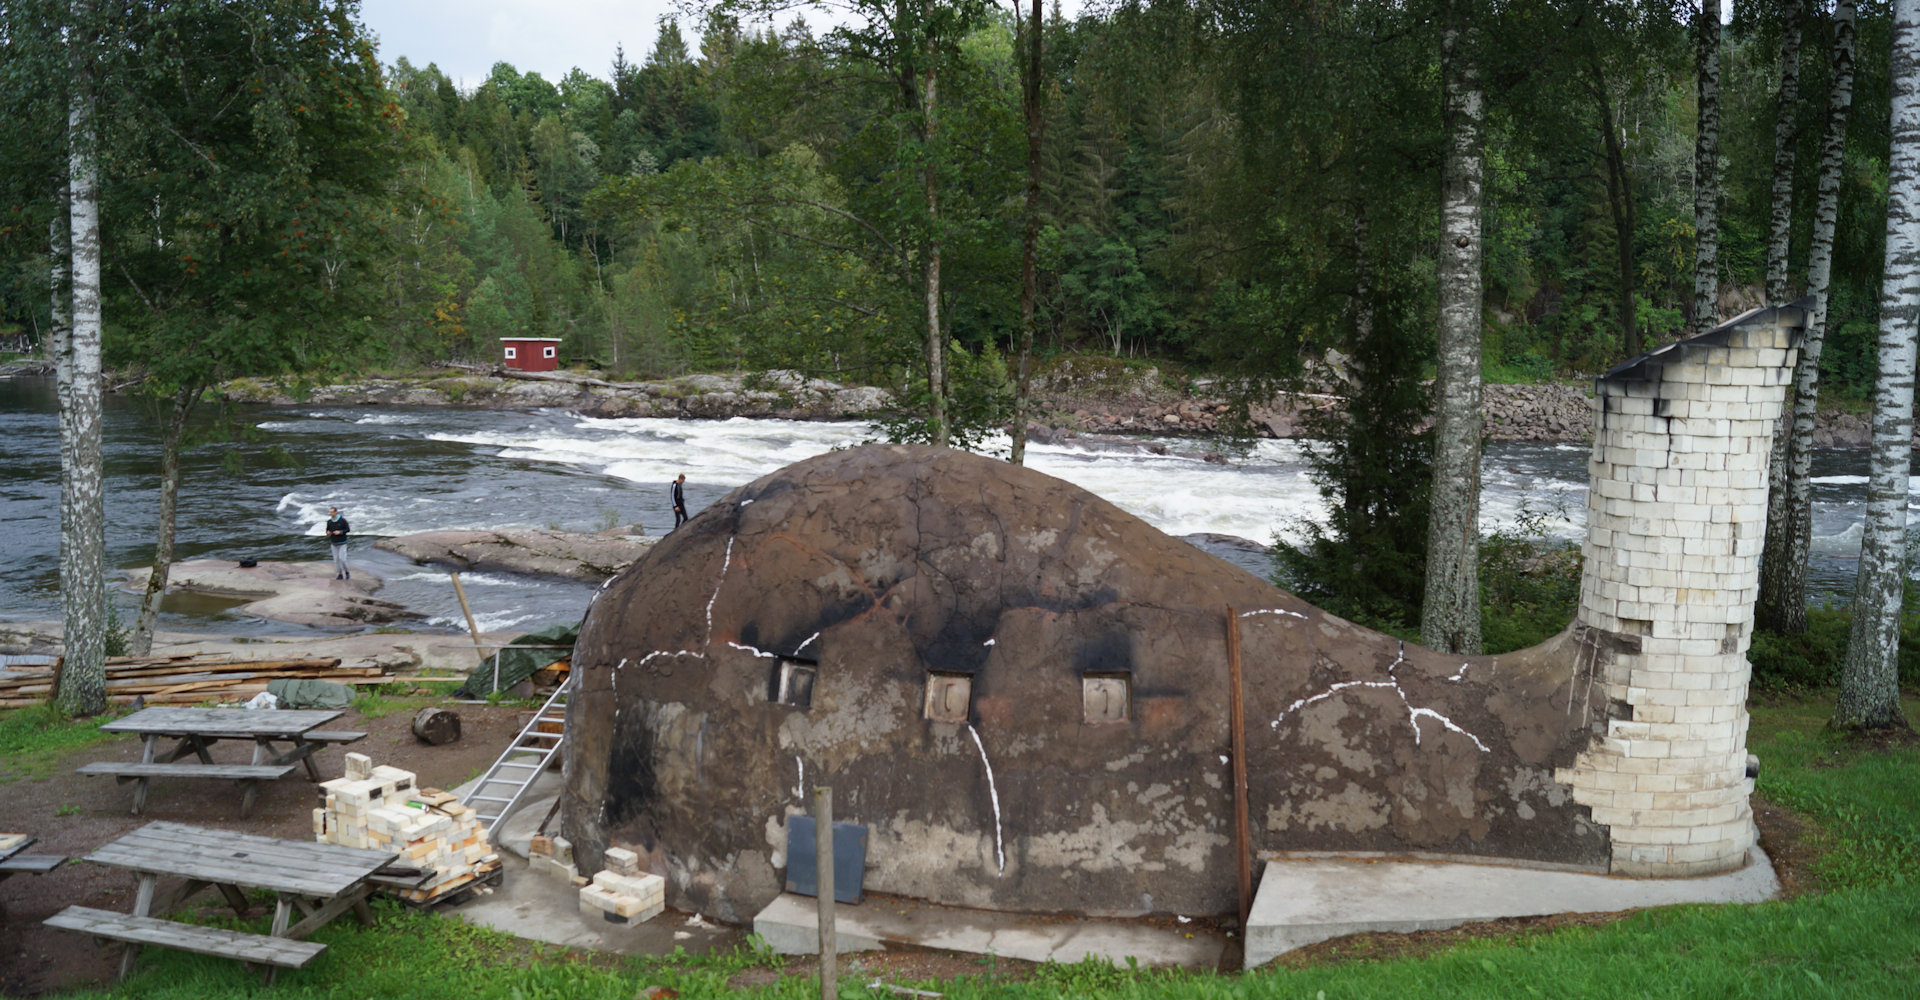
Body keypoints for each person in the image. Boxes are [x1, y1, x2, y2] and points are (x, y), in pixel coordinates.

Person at [325, 506, 351, 579]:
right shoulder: (329, 522)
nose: (330, 513)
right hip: (333, 543)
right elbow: (327, 530)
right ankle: (340, 574)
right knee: (336, 560)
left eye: (331, 512)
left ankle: (347, 572)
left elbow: (348, 529)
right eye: (330, 512)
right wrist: (328, 533)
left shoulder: (342, 521)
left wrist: (340, 532)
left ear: (336, 512)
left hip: (342, 542)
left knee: (342, 559)